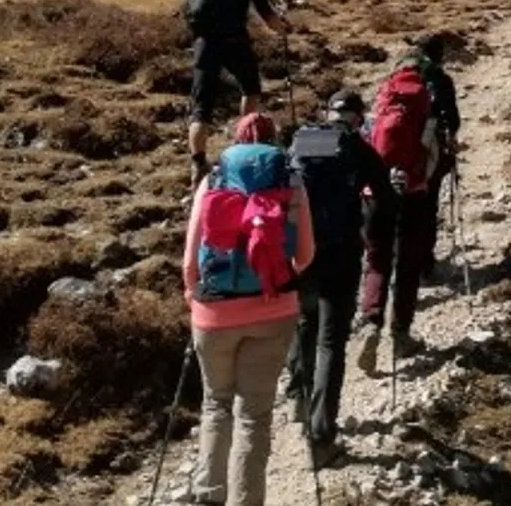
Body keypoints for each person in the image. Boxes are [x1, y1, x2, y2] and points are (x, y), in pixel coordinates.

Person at [183, 113, 314, 506]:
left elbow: (190, 260)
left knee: (216, 403)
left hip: (214, 313)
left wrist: (194, 295)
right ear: (274, 141)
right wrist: (280, 278)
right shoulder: (291, 182)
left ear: (235, 140)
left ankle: (209, 495)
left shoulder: (213, 180)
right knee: (254, 415)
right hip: (273, 311)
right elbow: (305, 256)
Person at [285, 91, 391, 464]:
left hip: (301, 252)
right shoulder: (358, 148)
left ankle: (298, 401)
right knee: (331, 341)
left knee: (305, 325)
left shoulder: (300, 141)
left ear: (328, 113)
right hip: (342, 252)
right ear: (358, 119)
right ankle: (321, 436)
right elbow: (384, 198)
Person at [355, 35, 460, 372]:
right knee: (407, 265)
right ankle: (400, 334)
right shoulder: (430, 91)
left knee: (376, 261)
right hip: (414, 190)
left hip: (376, 192)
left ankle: (370, 321)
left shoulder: (385, 94)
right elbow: (447, 129)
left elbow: (367, 140)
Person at [185, 0, 290, 185]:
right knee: (251, 89)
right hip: (235, 42)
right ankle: (242, 142)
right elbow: (268, 17)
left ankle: (198, 163)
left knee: (201, 108)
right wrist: (284, 29)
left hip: (204, 44)